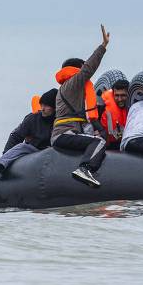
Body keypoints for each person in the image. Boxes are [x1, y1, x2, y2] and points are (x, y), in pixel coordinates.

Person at [51, 24, 110, 187]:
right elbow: (87, 70)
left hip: (64, 133)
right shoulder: (72, 84)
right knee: (98, 142)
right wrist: (103, 47)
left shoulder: (64, 89)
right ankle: (85, 169)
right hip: (64, 134)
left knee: (95, 139)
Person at [0, 88, 57, 178]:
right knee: (22, 146)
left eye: (46, 106)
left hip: (53, 152)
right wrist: (6, 153)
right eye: (41, 105)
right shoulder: (32, 119)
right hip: (34, 149)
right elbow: (16, 136)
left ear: (55, 107)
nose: (42, 109)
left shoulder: (61, 120)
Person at [98, 79, 129, 149]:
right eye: (117, 95)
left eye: (123, 95)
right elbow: (93, 119)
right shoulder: (103, 105)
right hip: (108, 145)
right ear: (113, 94)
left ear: (128, 94)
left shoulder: (134, 106)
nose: (119, 99)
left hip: (126, 144)